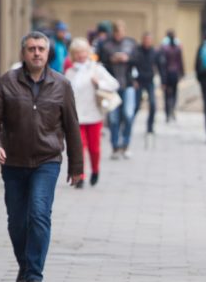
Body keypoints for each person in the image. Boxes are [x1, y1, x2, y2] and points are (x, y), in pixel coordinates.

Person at [0, 31, 83, 282]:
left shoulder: (61, 85)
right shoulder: (7, 82)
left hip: (46, 160)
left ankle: (35, 273)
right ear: (23, 53)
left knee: (39, 214)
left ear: (48, 52)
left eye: (41, 48)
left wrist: (76, 167)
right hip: (13, 161)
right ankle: (25, 265)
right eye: (31, 49)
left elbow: (72, 127)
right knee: (17, 220)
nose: (36, 53)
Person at [65, 37, 119, 188]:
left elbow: (114, 84)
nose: (80, 55)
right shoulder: (69, 72)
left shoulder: (96, 69)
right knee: (79, 147)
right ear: (73, 55)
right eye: (77, 53)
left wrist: (99, 83)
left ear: (88, 52)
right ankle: (80, 175)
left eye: (83, 52)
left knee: (94, 148)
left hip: (94, 114)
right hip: (77, 116)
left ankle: (95, 170)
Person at [98, 20, 138, 158]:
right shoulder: (106, 45)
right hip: (112, 87)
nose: (118, 35)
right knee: (114, 118)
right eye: (116, 32)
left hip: (128, 84)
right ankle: (115, 146)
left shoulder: (131, 43)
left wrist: (127, 58)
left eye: (121, 32)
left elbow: (138, 59)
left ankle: (125, 144)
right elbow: (101, 63)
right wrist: (111, 59)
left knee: (128, 115)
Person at [131, 32, 160, 137]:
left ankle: (150, 127)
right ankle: (129, 124)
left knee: (152, 104)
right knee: (136, 105)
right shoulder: (136, 51)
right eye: (145, 40)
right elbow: (131, 66)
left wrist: (162, 81)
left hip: (150, 81)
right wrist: (133, 80)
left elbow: (159, 66)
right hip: (139, 81)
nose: (147, 42)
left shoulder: (154, 52)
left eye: (149, 40)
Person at [158, 29, 184, 123]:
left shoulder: (164, 48)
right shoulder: (177, 47)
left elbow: (162, 63)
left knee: (167, 95)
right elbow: (180, 62)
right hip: (174, 73)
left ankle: (168, 112)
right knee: (174, 94)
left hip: (167, 73)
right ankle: (172, 109)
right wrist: (182, 73)